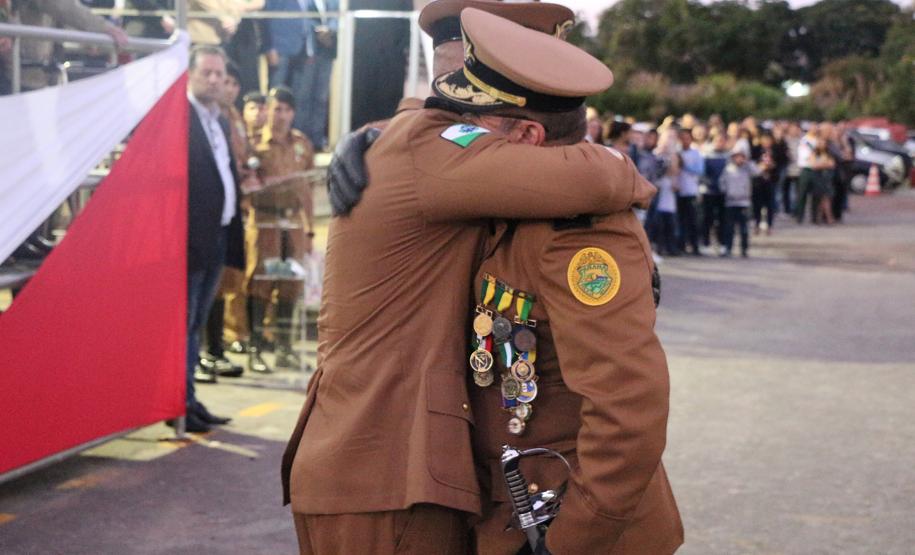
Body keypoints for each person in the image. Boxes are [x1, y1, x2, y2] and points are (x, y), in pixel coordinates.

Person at [281, 6, 653, 554]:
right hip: (386, 466)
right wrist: (626, 165)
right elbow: (584, 173)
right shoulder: (438, 148)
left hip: (385, 464)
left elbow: (628, 401)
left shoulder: (419, 143)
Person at [467, 119, 682, 555]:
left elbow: (628, 407)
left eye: (475, 125)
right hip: (510, 512)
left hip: (566, 519)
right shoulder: (509, 206)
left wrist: (569, 542)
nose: (464, 139)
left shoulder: (579, 234)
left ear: (527, 135)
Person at [184, 45, 244, 432]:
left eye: (219, 74)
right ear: (189, 74)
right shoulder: (179, 118)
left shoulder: (220, 120)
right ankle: (180, 402)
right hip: (189, 241)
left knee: (197, 323)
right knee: (184, 324)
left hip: (218, 235)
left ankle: (188, 398)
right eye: (206, 72)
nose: (214, 80)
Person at [248, 86, 315, 370]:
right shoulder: (255, 144)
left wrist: (310, 229)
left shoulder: (302, 143)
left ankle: (284, 347)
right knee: (262, 282)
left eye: (287, 110)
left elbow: (308, 187)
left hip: (294, 223)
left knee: (290, 283)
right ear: (268, 110)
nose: (282, 115)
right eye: (277, 108)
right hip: (266, 222)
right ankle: (256, 348)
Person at [199, 61, 254, 380]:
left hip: (232, 212)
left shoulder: (229, 119)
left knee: (224, 285)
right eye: (222, 79)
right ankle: (206, 354)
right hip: (207, 219)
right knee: (206, 294)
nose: (226, 86)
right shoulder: (205, 118)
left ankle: (214, 350)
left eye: (231, 81)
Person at [6, 0, 128, 91]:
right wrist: (102, 28)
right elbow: (61, 7)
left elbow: (59, 13)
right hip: (21, 71)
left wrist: (88, 39)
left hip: (31, 70)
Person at [720, 149, 758, 258]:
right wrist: (726, 191)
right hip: (731, 203)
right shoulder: (728, 169)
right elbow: (722, 182)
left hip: (744, 202)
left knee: (744, 229)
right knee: (729, 228)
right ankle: (728, 248)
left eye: (741, 156)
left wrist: (748, 162)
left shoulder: (747, 169)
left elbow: (757, 172)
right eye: (736, 157)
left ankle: (744, 249)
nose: (739, 159)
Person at [677, 127, 704, 255]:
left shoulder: (696, 153)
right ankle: (681, 245)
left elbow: (699, 171)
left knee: (693, 221)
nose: (684, 141)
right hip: (678, 191)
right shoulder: (676, 153)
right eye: (682, 139)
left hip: (691, 191)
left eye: (687, 138)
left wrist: (685, 165)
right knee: (680, 221)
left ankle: (695, 246)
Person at [751, 131, 784, 235]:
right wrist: (760, 166)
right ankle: (757, 224)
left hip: (771, 179)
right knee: (757, 204)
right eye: (764, 139)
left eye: (768, 139)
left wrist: (774, 165)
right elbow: (752, 162)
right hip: (758, 180)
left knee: (770, 204)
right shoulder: (756, 150)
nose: (766, 142)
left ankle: (769, 225)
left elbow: (782, 162)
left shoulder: (777, 150)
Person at [702, 133, 729, 251]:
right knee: (708, 218)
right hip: (709, 192)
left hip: (723, 192)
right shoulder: (707, 156)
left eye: (722, 141)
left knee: (723, 219)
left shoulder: (728, 156)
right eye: (718, 140)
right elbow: (703, 174)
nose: (720, 143)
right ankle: (706, 243)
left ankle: (722, 244)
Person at [795, 124, 819, 224]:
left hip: (816, 169)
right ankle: (800, 216)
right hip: (806, 169)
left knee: (816, 195)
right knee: (802, 194)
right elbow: (804, 155)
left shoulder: (818, 140)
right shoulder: (804, 140)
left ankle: (814, 217)